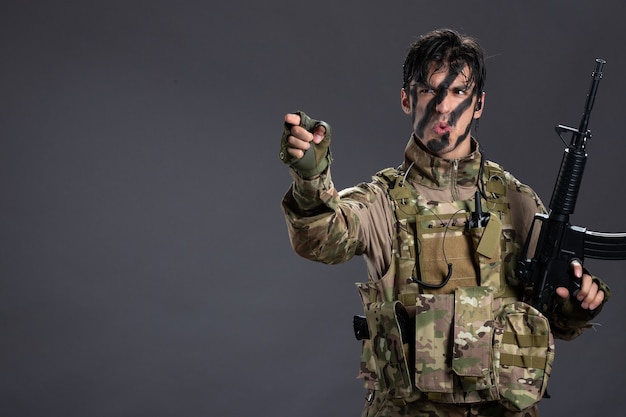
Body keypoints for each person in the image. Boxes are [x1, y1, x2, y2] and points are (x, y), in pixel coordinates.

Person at [278, 28, 609, 417]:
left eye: (458, 92)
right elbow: (320, 238)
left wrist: (579, 303)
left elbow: (552, 317)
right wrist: (311, 175)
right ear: (406, 99)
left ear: (479, 104)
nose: (443, 107)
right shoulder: (383, 200)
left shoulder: (515, 200)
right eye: (429, 91)